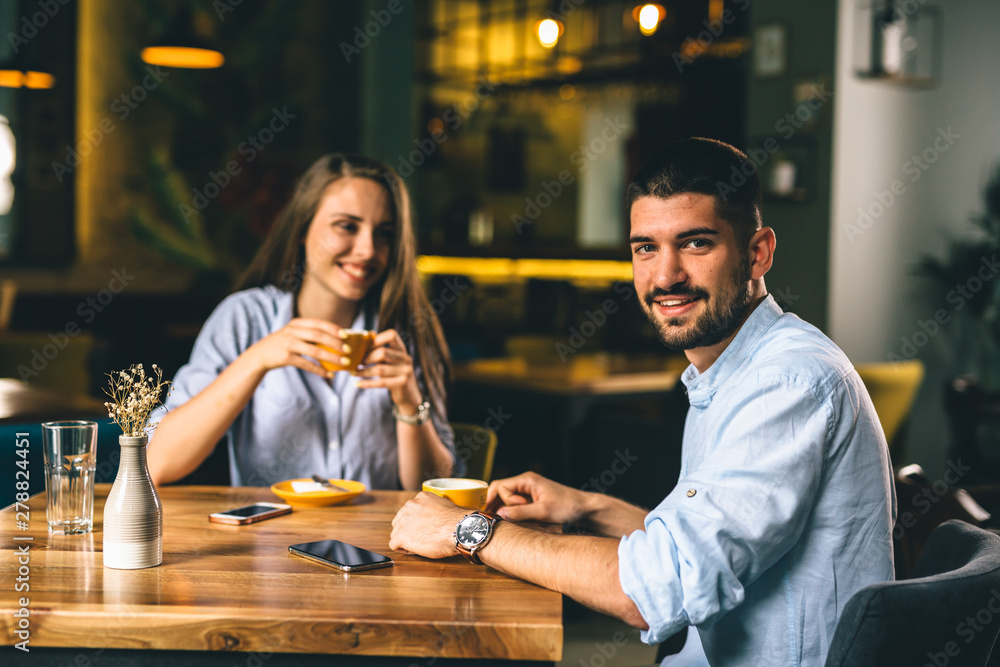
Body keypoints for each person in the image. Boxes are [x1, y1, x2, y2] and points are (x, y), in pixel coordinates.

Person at [389, 138, 895, 665]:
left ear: (758, 252)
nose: (665, 275)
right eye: (645, 247)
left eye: (696, 243)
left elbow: (657, 590)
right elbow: (707, 546)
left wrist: (466, 530)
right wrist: (590, 507)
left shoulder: (788, 383)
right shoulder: (733, 370)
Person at [148, 154, 458, 491]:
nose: (368, 250)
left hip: (378, 541)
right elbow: (157, 463)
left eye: (384, 233)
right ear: (302, 228)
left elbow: (436, 490)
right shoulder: (245, 318)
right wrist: (256, 360)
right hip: (269, 540)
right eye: (347, 226)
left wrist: (410, 401)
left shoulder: (405, 330)